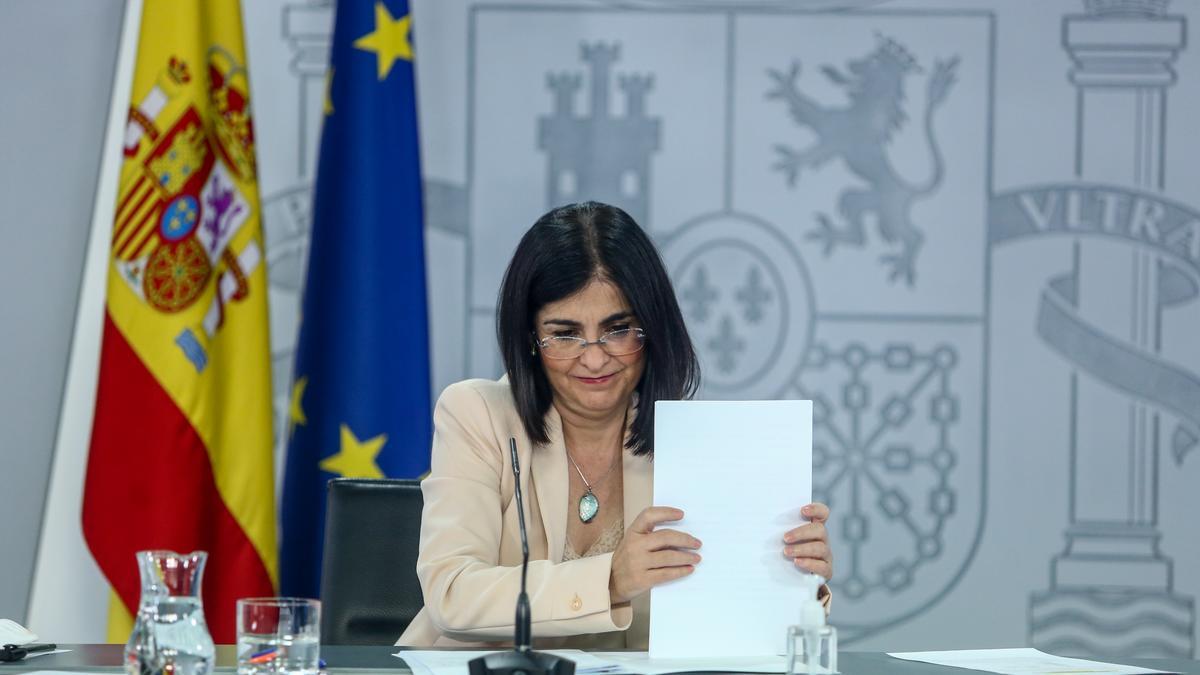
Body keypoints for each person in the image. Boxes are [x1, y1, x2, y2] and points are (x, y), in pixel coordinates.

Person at [397, 201, 833, 648]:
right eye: (565, 334)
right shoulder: (477, 413)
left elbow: (723, 620)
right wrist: (609, 580)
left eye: (618, 329)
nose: (593, 357)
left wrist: (794, 581)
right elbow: (451, 594)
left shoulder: (697, 442)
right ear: (530, 340)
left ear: (653, 330)